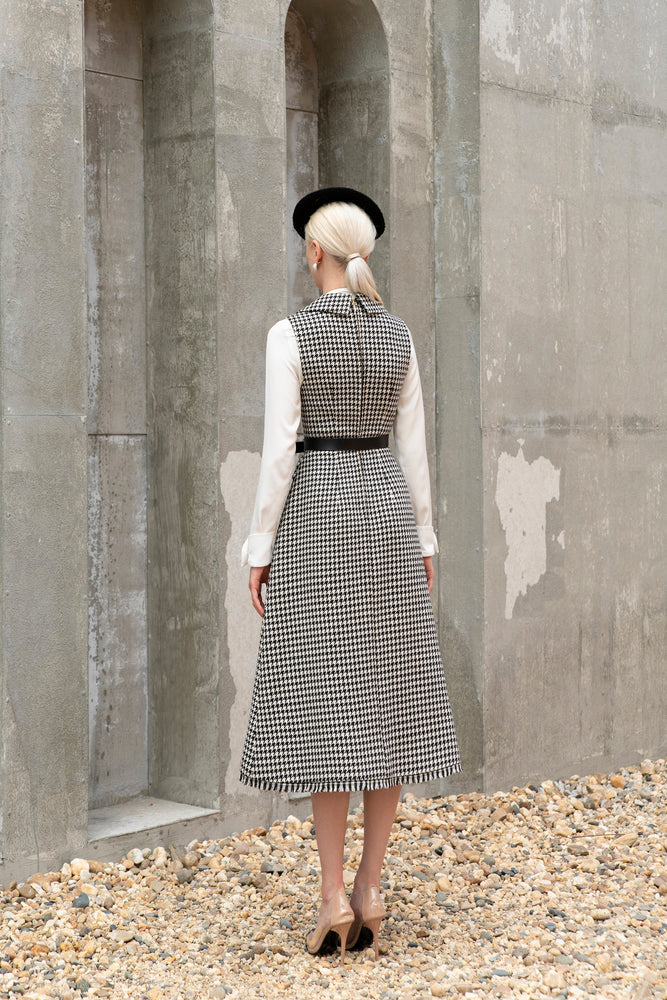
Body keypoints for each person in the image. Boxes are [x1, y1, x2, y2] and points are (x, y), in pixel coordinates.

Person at [240, 187, 460, 964]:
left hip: (318, 515)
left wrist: (259, 547)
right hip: (388, 512)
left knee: (329, 705)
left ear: (313, 251)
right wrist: (424, 537)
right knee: (389, 701)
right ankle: (371, 888)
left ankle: (332, 895)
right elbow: (414, 446)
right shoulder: (398, 334)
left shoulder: (289, 334)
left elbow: (280, 451)